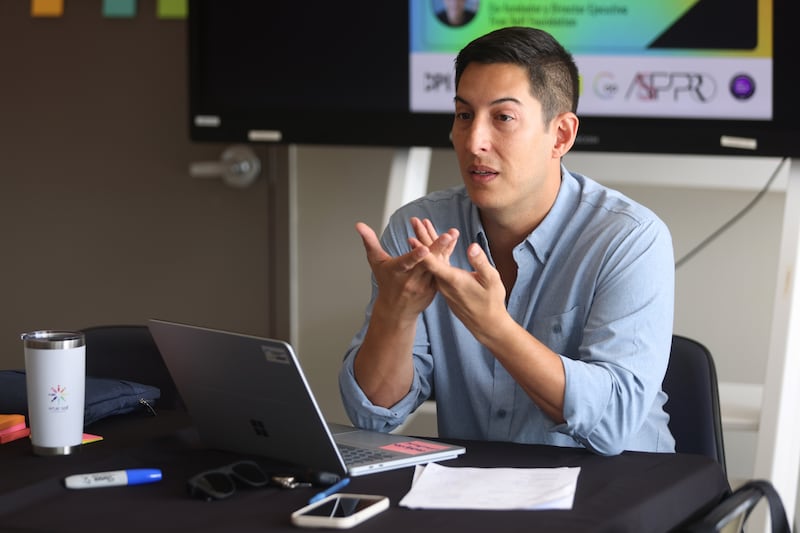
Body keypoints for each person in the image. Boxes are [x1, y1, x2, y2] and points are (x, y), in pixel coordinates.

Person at [338, 26, 675, 456]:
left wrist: (494, 327)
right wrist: (394, 313)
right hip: (476, 495)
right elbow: (371, 417)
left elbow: (613, 424)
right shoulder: (421, 228)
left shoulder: (630, 239)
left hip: (620, 492)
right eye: (464, 115)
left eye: (503, 118)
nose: (474, 141)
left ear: (561, 136)